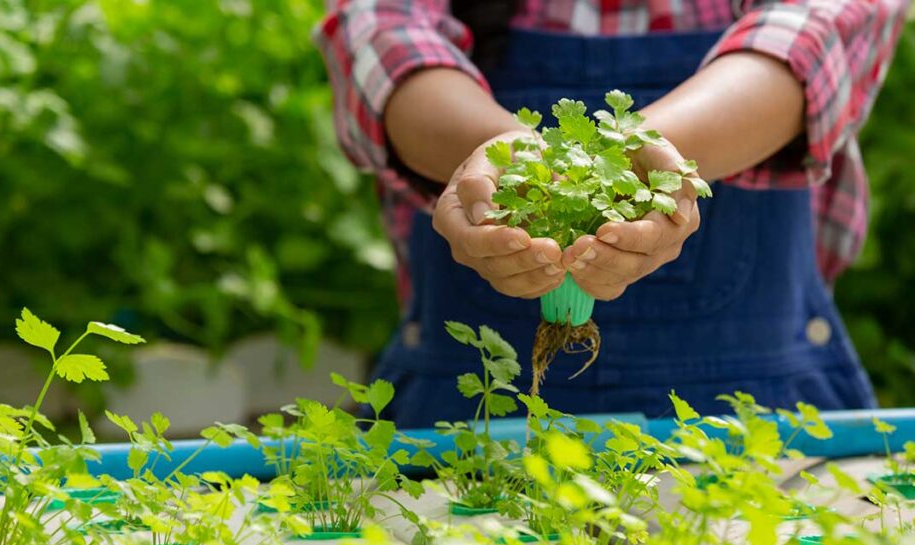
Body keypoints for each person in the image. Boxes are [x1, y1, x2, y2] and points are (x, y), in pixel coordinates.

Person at [316, 0, 909, 428]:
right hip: (470, 417)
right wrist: (504, 159)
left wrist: (649, 157)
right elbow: (381, 33)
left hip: (754, 400)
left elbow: (819, 28)